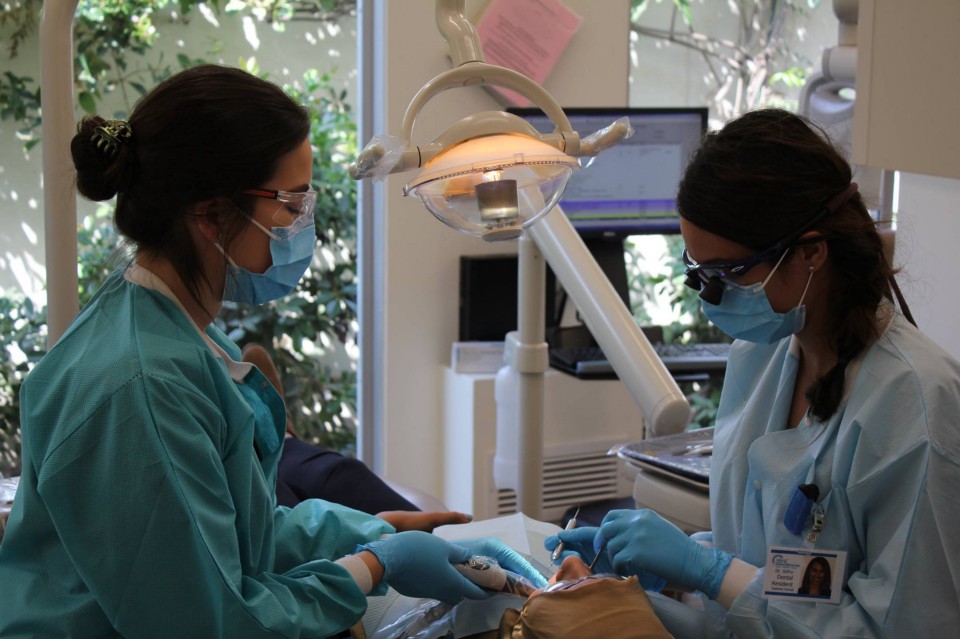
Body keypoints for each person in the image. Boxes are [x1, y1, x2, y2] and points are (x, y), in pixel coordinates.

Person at [0, 64, 545, 638]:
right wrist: (375, 567)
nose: (300, 228)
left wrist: (372, 533)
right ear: (210, 214)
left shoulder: (184, 331)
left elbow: (237, 532)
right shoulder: (141, 388)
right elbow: (211, 623)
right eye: (289, 206)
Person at [546, 108, 960, 637]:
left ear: (811, 252)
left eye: (729, 273)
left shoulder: (917, 407)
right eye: (698, 272)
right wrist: (677, 567)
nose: (708, 297)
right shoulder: (760, 357)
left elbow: (905, 625)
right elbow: (763, 563)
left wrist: (710, 572)